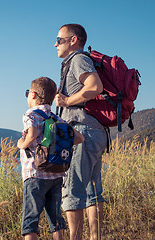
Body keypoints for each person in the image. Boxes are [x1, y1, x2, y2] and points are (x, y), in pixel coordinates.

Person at [54, 24, 108, 240]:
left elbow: (95, 86)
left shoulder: (78, 59)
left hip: (81, 132)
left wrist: (67, 100)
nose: (55, 43)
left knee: (72, 191)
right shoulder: (79, 60)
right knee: (93, 193)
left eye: (59, 39)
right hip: (95, 132)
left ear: (73, 40)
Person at [17, 77, 84, 240]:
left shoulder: (30, 114)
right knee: (56, 219)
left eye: (28, 93)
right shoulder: (56, 118)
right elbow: (79, 138)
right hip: (56, 174)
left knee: (30, 221)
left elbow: (32, 134)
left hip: (35, 175)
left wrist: (21, 144)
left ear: (32, 95)